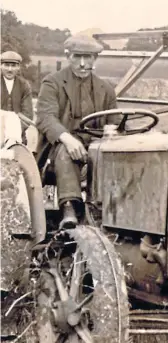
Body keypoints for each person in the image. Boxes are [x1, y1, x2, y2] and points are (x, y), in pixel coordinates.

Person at [35, 34, 118, 229]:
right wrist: (67, 139)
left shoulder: (106, 88)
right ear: (68, 56)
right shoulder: (52, 83)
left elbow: (115, 121)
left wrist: (113, 131)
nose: (82, 64)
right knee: (66, 150)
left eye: (87, 57)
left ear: (94, 59)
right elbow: (45, 117)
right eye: (77, 57)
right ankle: (69, 207)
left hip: (95, 145)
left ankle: (117, 211)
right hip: (58, 150)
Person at [0, 50, 34, 144]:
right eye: (6, 65)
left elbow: (28, 115)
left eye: (13, 65)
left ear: (18, 67)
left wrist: (12, 134)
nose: (10, 69)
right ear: (0, 65)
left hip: (17, 137)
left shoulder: (24, 85)